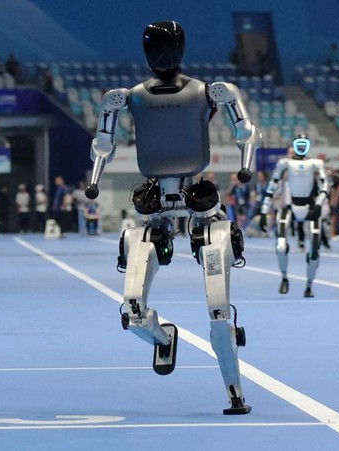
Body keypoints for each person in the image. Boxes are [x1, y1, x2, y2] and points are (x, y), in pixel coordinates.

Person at [83, 21, 261, 415]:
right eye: (155, 47)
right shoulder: (125, 98)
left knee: (218, 309)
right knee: (131, 308)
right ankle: (163, 338)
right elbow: (102, 144)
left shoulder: (210, 91)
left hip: (201, 206)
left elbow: (246, 131)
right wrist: (94, 180)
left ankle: (235, 392)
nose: (160, 55)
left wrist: (246, 166)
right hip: (154, 204)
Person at [259, 135, 328, 297]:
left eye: (304, 145)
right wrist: (264, 210)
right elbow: (272, 186)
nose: (301, 148)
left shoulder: (316, 164)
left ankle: (309, 285)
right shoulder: (285, 163)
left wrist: (319, 204)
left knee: (314, 250)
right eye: (299, 144)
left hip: (310, 206)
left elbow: (325, 186)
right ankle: (284, 278)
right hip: (290, 207)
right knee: (280, 246)